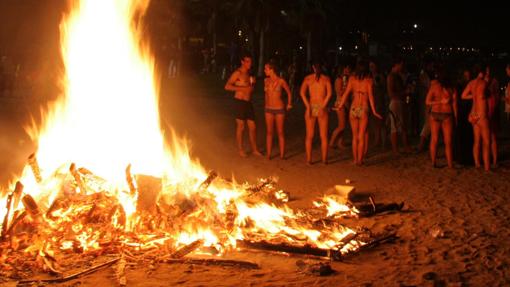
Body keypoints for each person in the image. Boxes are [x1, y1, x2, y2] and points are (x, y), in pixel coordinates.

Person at [338, 59, 383, 165]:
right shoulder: (369, 81)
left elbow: (345, 94)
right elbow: (371, 97)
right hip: (363, 108)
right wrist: (374, 111)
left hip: (353, 108)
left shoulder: (352, 79)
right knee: (361, 136)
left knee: (355, 137)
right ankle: (360, 160)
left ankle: (355, 160)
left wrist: (340, 105)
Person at [225, 54, 262, 157]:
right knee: (241, 126)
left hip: (248, 102)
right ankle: (240, 149)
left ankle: (254, 149)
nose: (250, 63)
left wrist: (253, 84)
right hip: (239, 102)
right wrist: (242, 89)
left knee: (253, 126)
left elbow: (250, 89)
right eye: (247, 61)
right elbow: (227, 86)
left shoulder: (249, 73)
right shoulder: (238, 73)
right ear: (242, 62)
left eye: (250, 61)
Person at [300, 61, 332, 164]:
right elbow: (329, 94)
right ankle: (324, 159)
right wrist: (323, 106)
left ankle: (309, 159)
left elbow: (302, 93)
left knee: (309, 135)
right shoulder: (326, 79)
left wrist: (308, 106)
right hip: (320, 105)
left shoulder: (308, 79)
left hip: (312, 106)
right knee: (323, 136)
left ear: (313, 68)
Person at [425, 67, 457, 168]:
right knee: (448, 141)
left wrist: (438, 102)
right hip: (447, 114)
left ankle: (433, 162)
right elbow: (455, 105)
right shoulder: (452, 88)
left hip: (435, 114)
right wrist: (456, 118)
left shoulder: (434, 87)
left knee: (434, 139)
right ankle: (450, 164)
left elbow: (427, 102)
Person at [461, 65, 490, 171]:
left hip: (473, 114)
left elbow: (463, 95)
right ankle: (487, 166)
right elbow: (488, 94)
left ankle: (477, 163)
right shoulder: (484, 83)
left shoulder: (471, 83)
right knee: (486, 142)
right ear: (481, 73)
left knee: (477, 141)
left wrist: (473, 96)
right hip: (482, 114)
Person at [263, 61, 292, 159]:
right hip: (268, 109)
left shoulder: (281, 81)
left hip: (279, 108)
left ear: (272, 70)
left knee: (280, 132)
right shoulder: (266, 81)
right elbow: (266, 95)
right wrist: (265, 105)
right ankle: (269, 154)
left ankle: (282, 155)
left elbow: (289, 92)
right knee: (269, 132)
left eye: (266, 69)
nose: (264, 71)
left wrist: (289, 104)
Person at [387, 58, 411, 154]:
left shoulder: (396, 76)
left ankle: (403, 148)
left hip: (398, 102)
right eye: (401, 65)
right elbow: (391, 93)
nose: (402, 67)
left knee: (401, 126)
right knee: (396, 127)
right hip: (395, 102)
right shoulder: (391, 76)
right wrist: (405, 92)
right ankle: (397, 149)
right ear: (396, 65)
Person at [329, 64, 351, 150]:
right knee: (341, 125)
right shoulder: (339, 79)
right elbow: (339, 92)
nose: (348, 71)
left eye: (349, 69)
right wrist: (346, 87)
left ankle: (340, 142)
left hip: (346, 104)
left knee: (343, 125)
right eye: (347, 69)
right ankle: (331, 142)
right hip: (340, 103)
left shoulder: (346, 79)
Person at [369, 60, 387, 149]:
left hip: (379, 101)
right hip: (373, 101)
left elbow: (382, 87)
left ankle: (383, 142)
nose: (371, 68)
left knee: (381, 122)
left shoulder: (379, 76)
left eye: (372, 66)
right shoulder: (370, 76)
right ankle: (377, 140)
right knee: (375, 123)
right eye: (370, 66)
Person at [485, 65, 500, 168]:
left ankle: (492, 160)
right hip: (489, 109)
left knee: (490, 137)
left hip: (489, 109)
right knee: (490, 137)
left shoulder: (492, 81)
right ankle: (492, 159)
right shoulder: (494, 81)